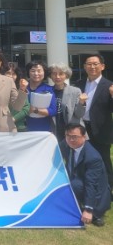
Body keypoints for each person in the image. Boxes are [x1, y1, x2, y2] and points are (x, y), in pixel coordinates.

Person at [59, 123, 111, 227]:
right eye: (68, 136)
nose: (71, 139)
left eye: (75, 137)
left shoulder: (93, 157)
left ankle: (94, 212)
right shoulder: (66, 143)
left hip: (95, 191)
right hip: (79, 179)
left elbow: (91, 184)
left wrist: (88, 209)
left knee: (75, 184)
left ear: (84, 137)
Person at [75, 54, 113, 191]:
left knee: (103, 159)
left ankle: (108, 188)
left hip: (100, 129)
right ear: (84, 67)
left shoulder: (109, 85)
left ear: (102, 66)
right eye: (89, 64)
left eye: (95, 64)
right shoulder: (79, 84)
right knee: (83, 158)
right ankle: (86, 187)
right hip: (82, 127)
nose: (92, 67)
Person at [49, 62, 86, 142]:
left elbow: (79, 114)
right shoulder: (48, 91)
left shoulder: (75, 91)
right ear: (51, 76)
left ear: (66, 75)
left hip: (72, 131)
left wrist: (81, 102)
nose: (57, 76)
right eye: (54, 74)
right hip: (53, 131)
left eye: (61, 74)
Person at [25, 60, 56, 132]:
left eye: (39, 71)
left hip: (44, 129)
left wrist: (34, 110)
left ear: (44, 72)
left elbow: (53, 110)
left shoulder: (49, 89)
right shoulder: (23, 88)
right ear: (28, 72)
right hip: (24, 128)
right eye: (33, 71)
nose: (36, 73)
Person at [2, 62, 30, 132]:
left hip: (19, 127)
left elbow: (25, 109)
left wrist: (14, 119)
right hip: (0, 127)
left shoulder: (21, 89)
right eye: (8, 73)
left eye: (14, 74)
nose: (11, 76)